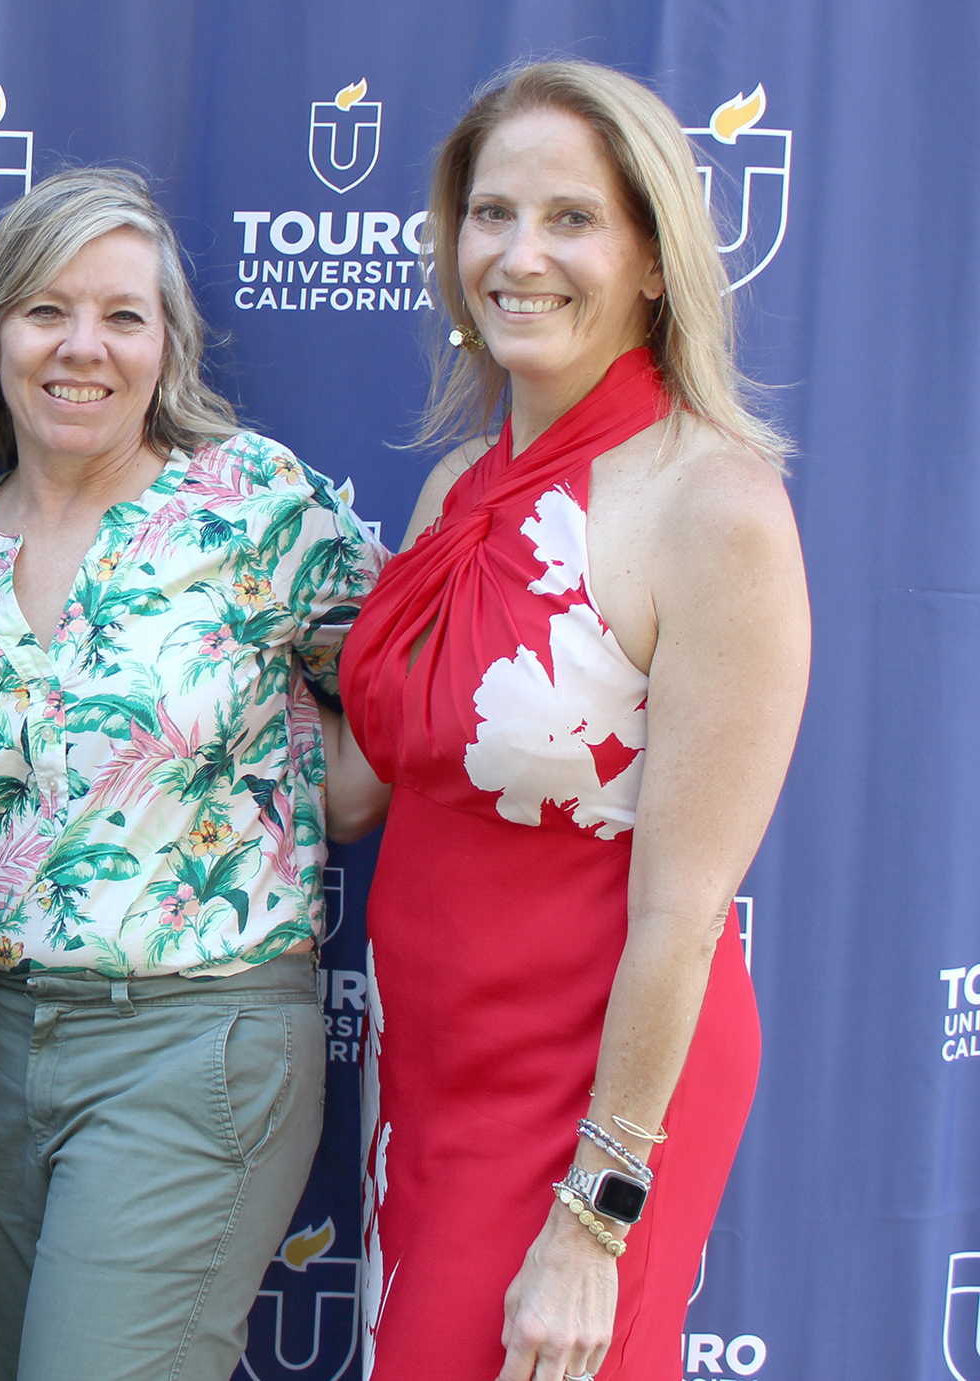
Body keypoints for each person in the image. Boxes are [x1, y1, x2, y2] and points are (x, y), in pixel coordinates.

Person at [332, 60, 809, 1381]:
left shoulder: (713, 506)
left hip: (595, 1106)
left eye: (571, 219)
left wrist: (594, 1219)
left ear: (654, 261)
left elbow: (685, 911)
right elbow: (360, 790)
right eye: (492, 215)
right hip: (425, 1074)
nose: (518, 254)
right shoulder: (449, 495)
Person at [0, 167, 386, 1381]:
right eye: (47, 309)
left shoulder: (255, 506)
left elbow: (413, 664)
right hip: (2, 1042)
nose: (83, 347)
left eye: (123, 315)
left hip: (198, 1037)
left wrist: (343, 787)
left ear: (168, 347)